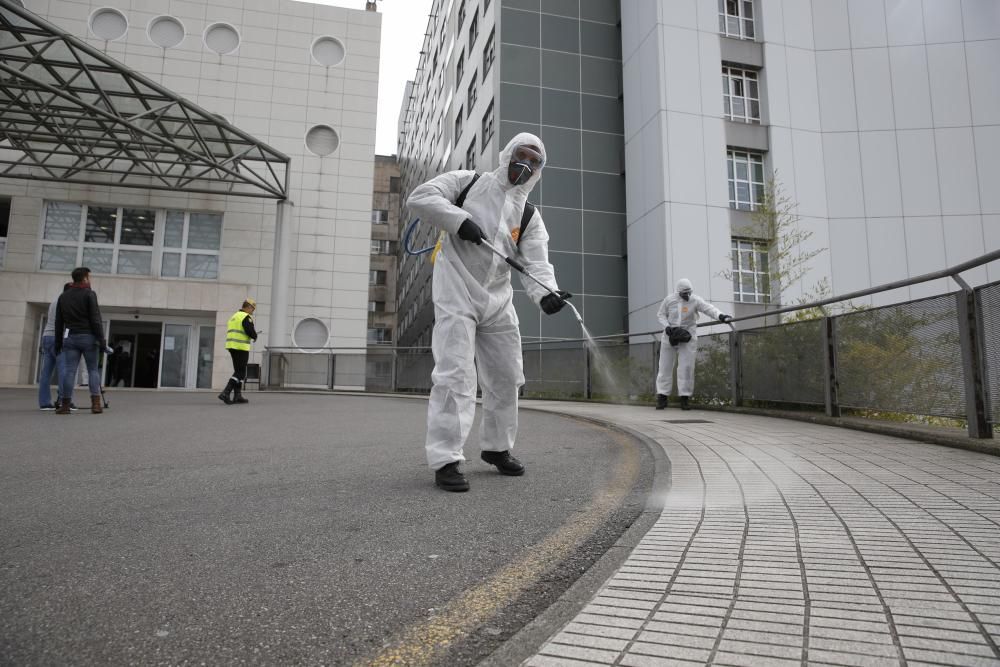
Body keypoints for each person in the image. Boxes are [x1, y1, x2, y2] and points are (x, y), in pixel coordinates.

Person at [407, 132, 571, 492]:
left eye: (534, 161)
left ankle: (497, 448)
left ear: (539, 171)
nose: (525, 165)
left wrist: (547, 295)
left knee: (507, 376)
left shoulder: (529, 215)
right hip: (457, 288)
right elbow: (420, 197)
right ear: (507, 156)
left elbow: (537, 263)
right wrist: (457, 220)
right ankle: (446, 458)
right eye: (520, 156)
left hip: (498, 300)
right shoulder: (468, 183)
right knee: (455, 373)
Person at [655, 278, 731, 411]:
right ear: (678, 292)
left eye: (689, 292)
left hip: (688, 336)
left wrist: (721, 316)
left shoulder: (695, 300)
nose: (687, 295)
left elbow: (709, 308)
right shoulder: (668, 300)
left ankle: (685, 398)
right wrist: (667, 327)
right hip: (670, 336)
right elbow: (660, 314)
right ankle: (662, 397)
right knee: (665, 366)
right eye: (685, 293)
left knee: (686, 367)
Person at [54, 267, 108, 415]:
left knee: (70, 371)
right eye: (89, 277)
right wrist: (101, 340)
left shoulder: (63, 296)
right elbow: (95, 319)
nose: (89, 280)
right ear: (84, 278)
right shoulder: (89, 294)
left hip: (70, 338)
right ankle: (96, 405)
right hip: (88, 337)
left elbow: (59, 322)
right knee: (92, 370)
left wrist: (58, 342)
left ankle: (65, 405)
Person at [38, 283, 72, 411]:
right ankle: (65, 400)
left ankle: (44, 402)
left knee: (46, 372)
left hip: (46, 337)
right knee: (64, 369)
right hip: (58, 338)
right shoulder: (65, 302)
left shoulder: (54, 302)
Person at [218, 298, 257, 405]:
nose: (252, 312)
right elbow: (249, 330)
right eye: (253, 309)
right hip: (240, 347)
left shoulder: (234, 316)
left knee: (238, 371)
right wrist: (255, 336)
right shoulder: (245, 317)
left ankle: (237, 395)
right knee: (241, 372)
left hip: (232, 346)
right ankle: (226, 392)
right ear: (248, 307)